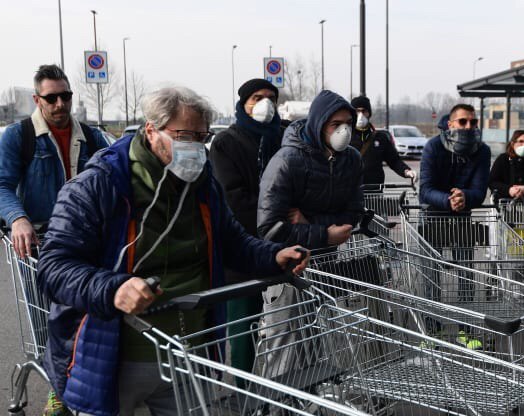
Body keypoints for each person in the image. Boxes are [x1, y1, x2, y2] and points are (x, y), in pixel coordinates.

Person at [36, 87, 309, 416]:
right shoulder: (98, 185)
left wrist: (272, 255)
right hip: (114, 356)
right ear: (151, 130)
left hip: (190, 352)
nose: (194, 146)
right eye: (184, 135)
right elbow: (53, 268)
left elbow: (233, 242)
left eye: (201, 136)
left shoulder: (203, 185)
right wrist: (113, 288)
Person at [207, 78, 283, 386]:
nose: (264, 103)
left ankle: (285, 387)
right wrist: (279, 213)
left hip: (281, 243)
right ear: (242, 103)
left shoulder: (281, 137)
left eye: (270, 97)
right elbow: (232, 197)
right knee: (243, 325)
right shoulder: (227, 142)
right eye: (256, 97)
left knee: (288, 324)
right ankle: (242, 388)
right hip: (242, 246)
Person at [0, 64, 108, 259]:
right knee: (40, 290)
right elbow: (2, 185)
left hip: (87, 238)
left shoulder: (92, 137)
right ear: (37, 100)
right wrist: (18, 219)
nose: (60, 103)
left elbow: (114, 181)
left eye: (65, 96)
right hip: (40, 244)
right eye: (51, 98)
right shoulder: (18, 136)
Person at [257, 90, 364, 249]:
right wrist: (325, 235)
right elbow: (270, 229)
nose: (345, 131)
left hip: (327, 259)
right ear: (318, 125)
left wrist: (310, 223)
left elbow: (354, 213)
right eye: (336, 124)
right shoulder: (286, 161)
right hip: (291, 260)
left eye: (348, 123)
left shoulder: (352, 159)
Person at [419, 103, 490, 331]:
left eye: (473, 122)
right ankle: (433, 330)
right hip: (433, 217)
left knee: (466, 275)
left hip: (462, 218)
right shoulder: (433, 147)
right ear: (450, 125)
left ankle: (466, 329)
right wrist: (449, 200)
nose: (468, 127)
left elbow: (479, 191)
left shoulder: (482, 150)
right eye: (462, 122)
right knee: (431, 275)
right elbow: (425, 189)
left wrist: (464, 197)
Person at [349, 95, 416, 185]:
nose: (361, 115)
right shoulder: (345, 137)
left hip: (374, 191)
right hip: (351, 191)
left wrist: (406, 171)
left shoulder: (380, 138)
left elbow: (394, 160)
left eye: (364, 111)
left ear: (369, 113)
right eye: (357, 111)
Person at [489, 129, 524, 200]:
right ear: (512, 144)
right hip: (505, 203)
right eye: (520, 141)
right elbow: (492, 182)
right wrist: (509, 190)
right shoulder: (503, 159)